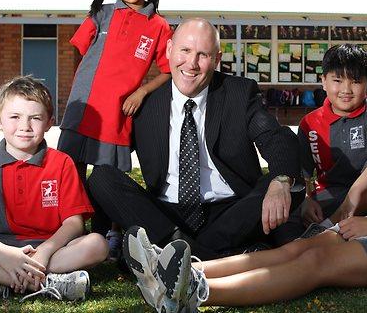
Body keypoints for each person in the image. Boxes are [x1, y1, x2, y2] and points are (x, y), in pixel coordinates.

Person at [124, 29, 367, 311]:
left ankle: (196, 293)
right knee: (300, 247)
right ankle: (182, 271)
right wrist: (356, 210)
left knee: (317, 260)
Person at [88, 18, 304, 265]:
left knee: (292, 187)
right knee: (101, 177)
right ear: (170, 50)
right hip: (166, 216)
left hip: (230, 211)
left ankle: (173, 257)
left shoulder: (239, 93)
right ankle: (217, 256)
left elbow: (277, 138)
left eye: (203, 55)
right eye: (185, 50)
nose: (191, 63)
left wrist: (280, 181)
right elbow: (110, 157)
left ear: (217, 59)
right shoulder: (145, 105)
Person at [0, 76, 108, 303]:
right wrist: (5, 255)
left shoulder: (62, 163)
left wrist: (43, 253)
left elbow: (74, 223)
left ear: (49, 122)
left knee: (97, 245)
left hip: (51, 251)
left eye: (35, 118)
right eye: (15, 117)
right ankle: (50, 282)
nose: (25, 126)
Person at [57, 0, 172, 257]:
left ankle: (107, 236)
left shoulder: (159, 26)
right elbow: (80, 51)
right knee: (70, 174)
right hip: (82, 110)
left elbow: (168, 70)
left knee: (106, 179)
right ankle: (69, 236)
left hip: (116, 115)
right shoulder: (102, 14)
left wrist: (141, 92)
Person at [298, 44, 367, 235]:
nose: (346, 89)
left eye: (355, 81)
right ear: (324, 81)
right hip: (329, 195)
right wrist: (305, 199)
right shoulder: (309, 123)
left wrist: (356, 191)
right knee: (289, 215)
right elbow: (302, 172)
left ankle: (328, 228)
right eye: (337, 80)